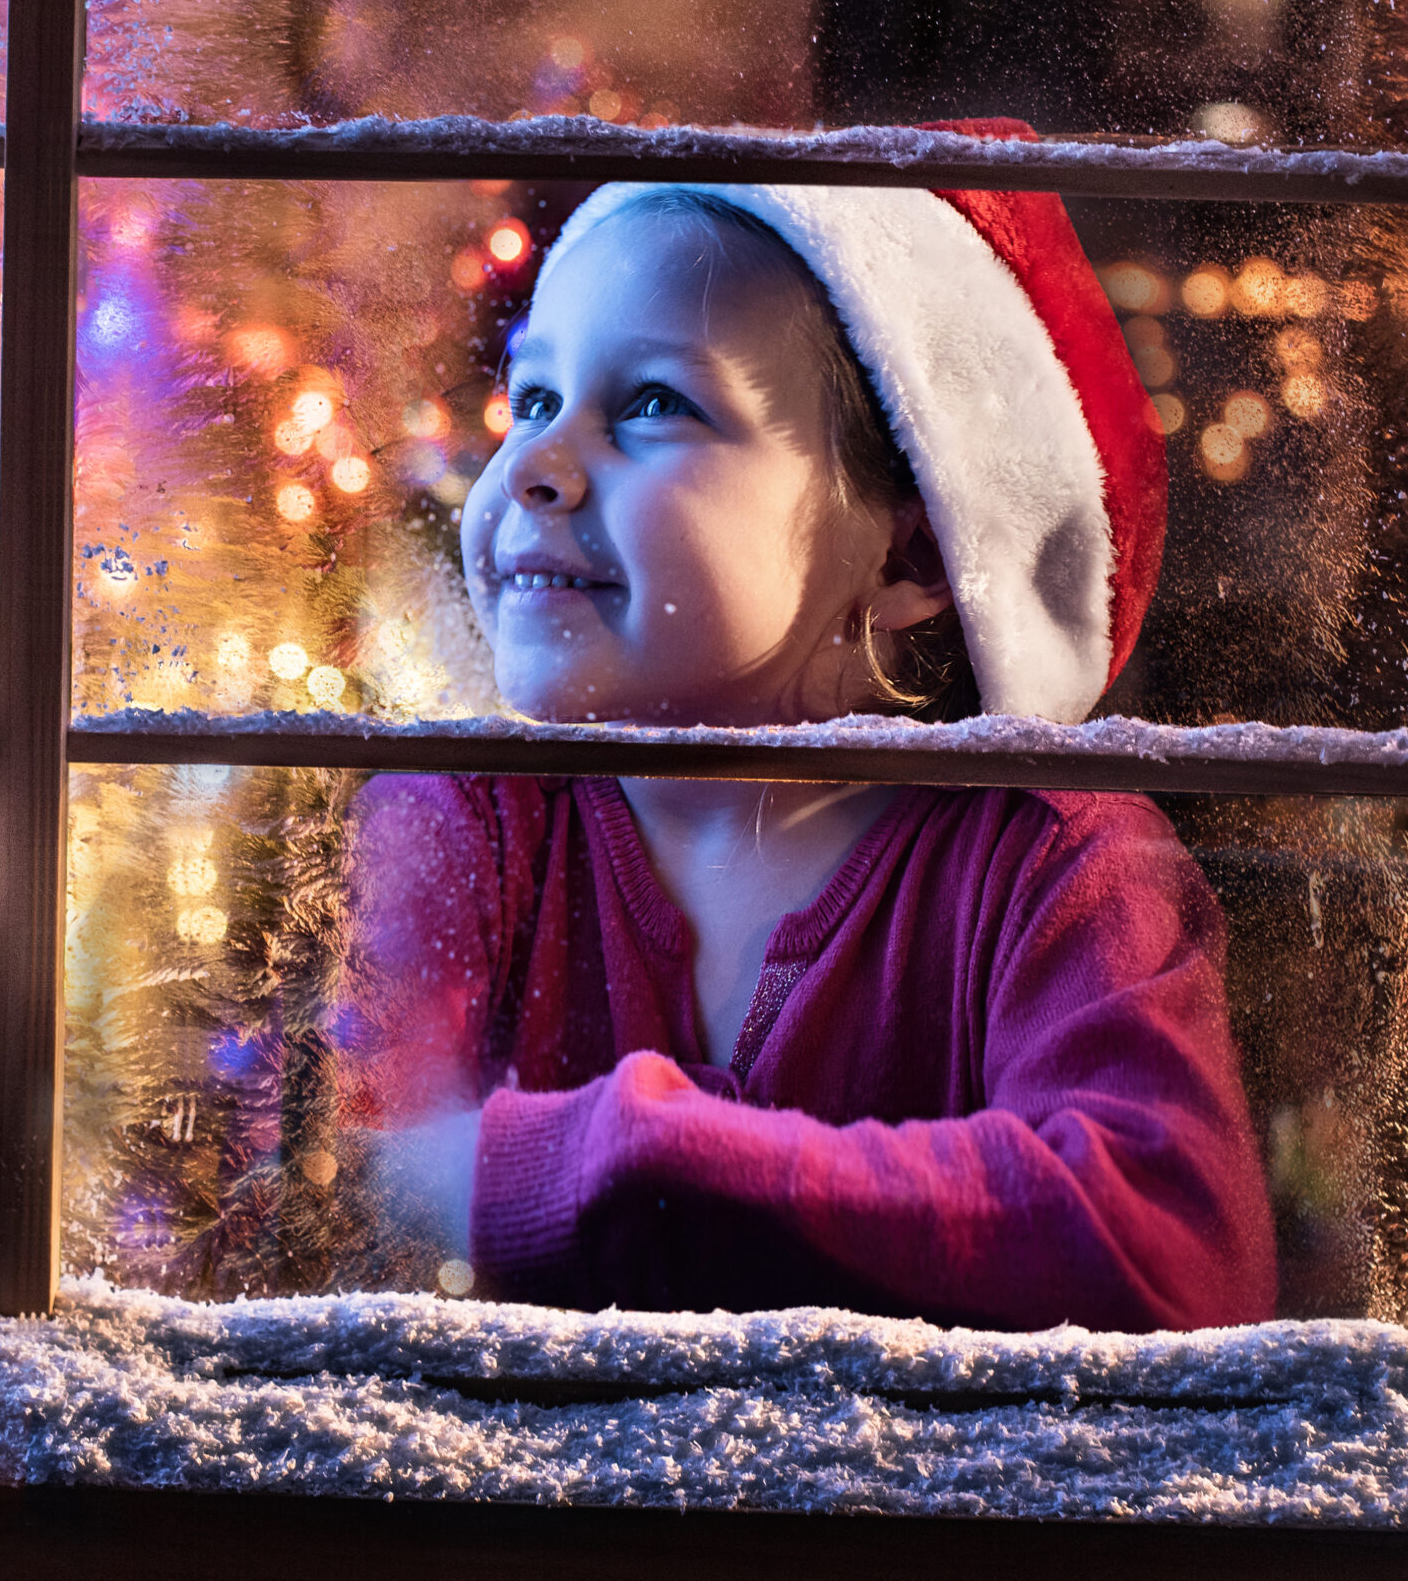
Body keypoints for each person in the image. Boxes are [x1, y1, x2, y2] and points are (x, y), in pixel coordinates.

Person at [351, 125, 1277, 1332]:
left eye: (649, 404)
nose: (536, 462)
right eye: (533, 394)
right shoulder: (462, 818)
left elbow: (1168, 1255)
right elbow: (348, 1206)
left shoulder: (1052, 866)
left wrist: (623, 1158)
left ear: (910, 551)